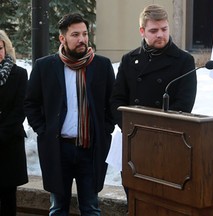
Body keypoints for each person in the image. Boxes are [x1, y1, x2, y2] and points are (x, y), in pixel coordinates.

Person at [24, 13, 115, 215]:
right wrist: (43, 131)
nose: (82, 39)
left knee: (91, 207)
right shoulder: (45, 66)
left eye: (84, 34)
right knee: (57, 208)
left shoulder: (102, 66)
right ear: (62, 38)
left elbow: (113, 103)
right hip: (58, 149)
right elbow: (30, 103)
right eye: (75, 34)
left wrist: (105, 130)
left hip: (90, 150)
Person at [109, 4, 197, 204]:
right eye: (154, 30)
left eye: (164, 29)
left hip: (167, 141)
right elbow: (117, 99)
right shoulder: (129, 59)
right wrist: (128, 126)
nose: (160, 35)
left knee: (162, 198)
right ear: (142, 31)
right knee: (134, 195)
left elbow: (184, 104)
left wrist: (156, 129)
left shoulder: (184, 60)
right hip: (134, 139)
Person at [0, 30, 28, 215]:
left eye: (0, 47)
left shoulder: (19, 74)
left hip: (8, 144)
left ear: (6, 48)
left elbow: (21, 109)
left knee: (8, 199)